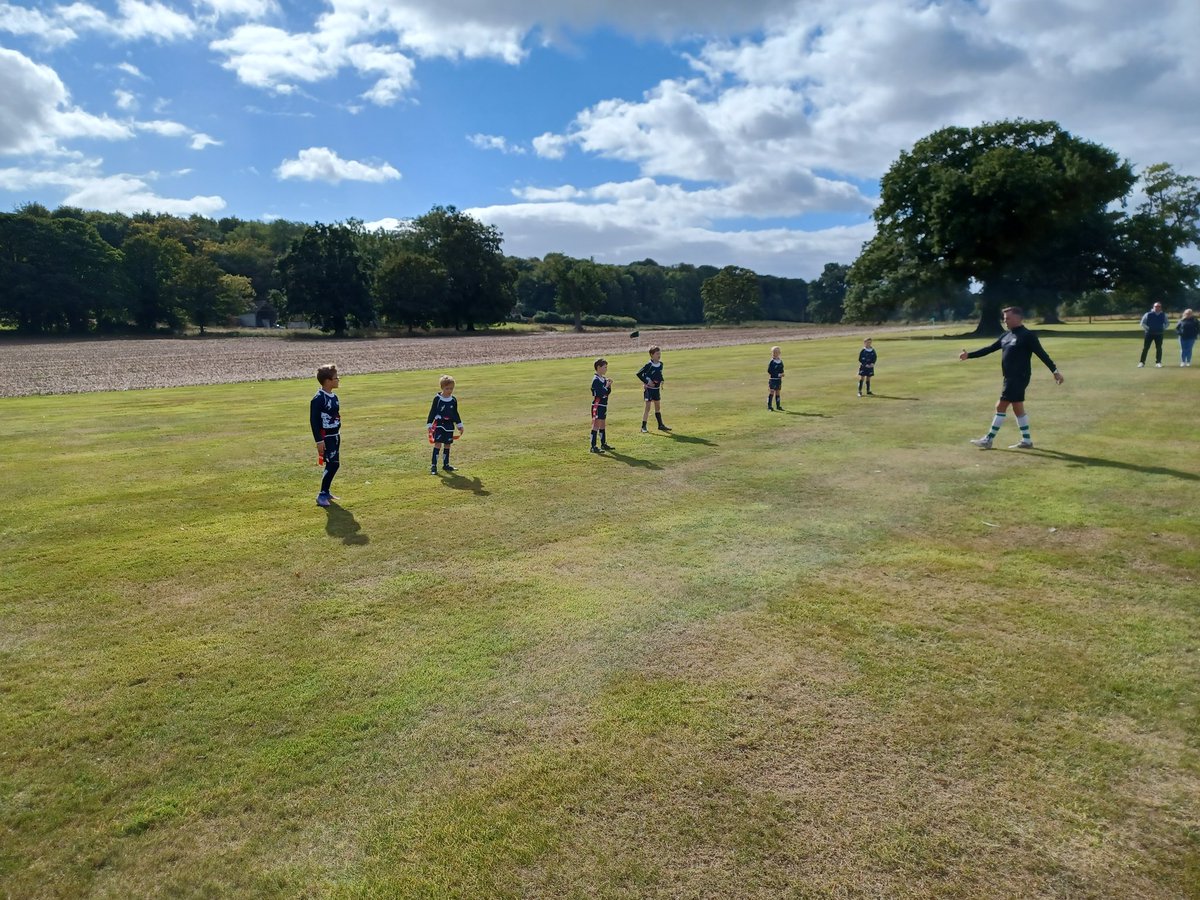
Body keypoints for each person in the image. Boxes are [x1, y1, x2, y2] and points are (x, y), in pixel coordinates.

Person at [959, 306, 1064, 449]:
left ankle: (988, 439)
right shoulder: (1006, 335)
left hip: (1020, 377)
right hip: (1008, 377)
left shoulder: (1027, 335)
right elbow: (990, 349)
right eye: (1004, 318)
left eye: (1007, 318)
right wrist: (969, 355)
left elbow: (1042, 354)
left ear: (1017, 318)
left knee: (1001, 405)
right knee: (1017, 408)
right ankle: (1026, 441)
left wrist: (1055, 371)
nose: (1005, 321)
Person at [309, 363, 342, 507]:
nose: (338, 379)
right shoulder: (318, 398)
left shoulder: (334, 396)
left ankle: (326, 491)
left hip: (335, 435)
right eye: (336, 377)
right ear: (328, 381)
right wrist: (319, 440)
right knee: (333, 464)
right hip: (326, 437)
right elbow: (314, 420)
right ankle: (322, 494)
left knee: (332, 463)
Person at [426, 374, 464, 474]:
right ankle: (433, 466)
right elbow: (432, 411)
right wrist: (429, 424)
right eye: (447, 388)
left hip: (449, 426)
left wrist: (459, 425)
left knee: (447, 444)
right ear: (442, 387)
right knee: (438, 444)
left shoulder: (453, 400)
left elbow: (455, 413)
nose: (449, 390)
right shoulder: (437, 399)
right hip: (439, 424)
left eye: (451, 388)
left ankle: (446, 465)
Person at [636, 346, 671, 432]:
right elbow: (639, 374)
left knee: (658, 407)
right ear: (651, 355)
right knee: (647, 408)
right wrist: (647, 382)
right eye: (657, 354)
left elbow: (659, 374)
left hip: (656, 389)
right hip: (649, 389)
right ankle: (643, 427)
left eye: (660, 353)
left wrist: (662, 380)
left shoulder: (661, 364)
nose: (659, 355)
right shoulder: (649, 365)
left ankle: (660, 425)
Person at [590, 358, 615, 453]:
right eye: (605, 367)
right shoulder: (596, 380)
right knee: (596, 424)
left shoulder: (604, 379)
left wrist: (609, 386)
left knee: (603, 424)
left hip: (603, 405)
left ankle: (603, 443)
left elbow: (607, 392)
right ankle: (593, 446)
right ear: (598, 367)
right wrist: (606, 386)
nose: (606, 369)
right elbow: (600, 393)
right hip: (598, 404)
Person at [1138, 301, 1170, 367]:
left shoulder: (1163, 315)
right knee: (1145, 348)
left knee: (1159, 348)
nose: (1157, 308)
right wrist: (1148, 328)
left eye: (1159, 306)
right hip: (1149, 334)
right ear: (1153, 307)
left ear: (1160, 308)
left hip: (1159, 334)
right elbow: (1142, 323)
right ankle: (1142, 362)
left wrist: (1163, 328)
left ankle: (1158, 362)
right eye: (1156, 306)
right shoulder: (1148, 314)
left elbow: (1167, 323)